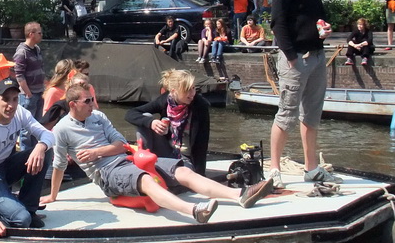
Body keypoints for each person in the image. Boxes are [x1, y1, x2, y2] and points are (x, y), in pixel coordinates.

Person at [45, 85, 272, 222]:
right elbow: (58, 165)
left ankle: (239, 196)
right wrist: (54, 196)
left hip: (126, 158)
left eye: (92, 99)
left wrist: (97, 151)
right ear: (73, 104)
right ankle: (194, 211)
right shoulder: (63, 129)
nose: (93, 104)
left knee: (180, 170)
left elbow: (121, 143)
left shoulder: (99, 118)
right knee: (145, 179)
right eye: (87, 101)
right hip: (107, 173)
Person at [267, 0, 336, 187]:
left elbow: (315, 14)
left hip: (316, 55)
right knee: (286, 114)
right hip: (296, 57)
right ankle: (274, 169)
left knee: (312, 115)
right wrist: (291, 57)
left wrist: (324, 27)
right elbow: (278, 21)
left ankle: (311, 168)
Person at [0, 78, 53, 236]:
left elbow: (47, 135)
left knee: (46, 151)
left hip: (4, 166)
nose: (11, 105)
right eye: (5, 100)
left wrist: (40, 147)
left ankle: (29, 207)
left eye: (14, 99)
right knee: (22, 220)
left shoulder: (20, 113)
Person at [123, 69, 209, 176]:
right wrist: (151, 123)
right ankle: (144, 160)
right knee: (146, 117)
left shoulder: (200, 106)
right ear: (173, 91)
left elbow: (202, 144)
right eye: (187, 90)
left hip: (185, 158)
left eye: (193, 88)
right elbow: (130, 113)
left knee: (181, 174)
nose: (192, 94)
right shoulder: (165, 100)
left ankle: (160, 169)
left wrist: (200, 175)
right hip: (167, 149)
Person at [13, 21, 45, 120]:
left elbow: (40, 69)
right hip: (29, 95)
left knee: (37, 126)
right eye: (39, 33)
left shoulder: (37, 49)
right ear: (31, 34)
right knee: (25, 130)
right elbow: (19, 75)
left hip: (39, 92)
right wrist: (28, 94)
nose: (41, 35)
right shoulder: (22, 52)